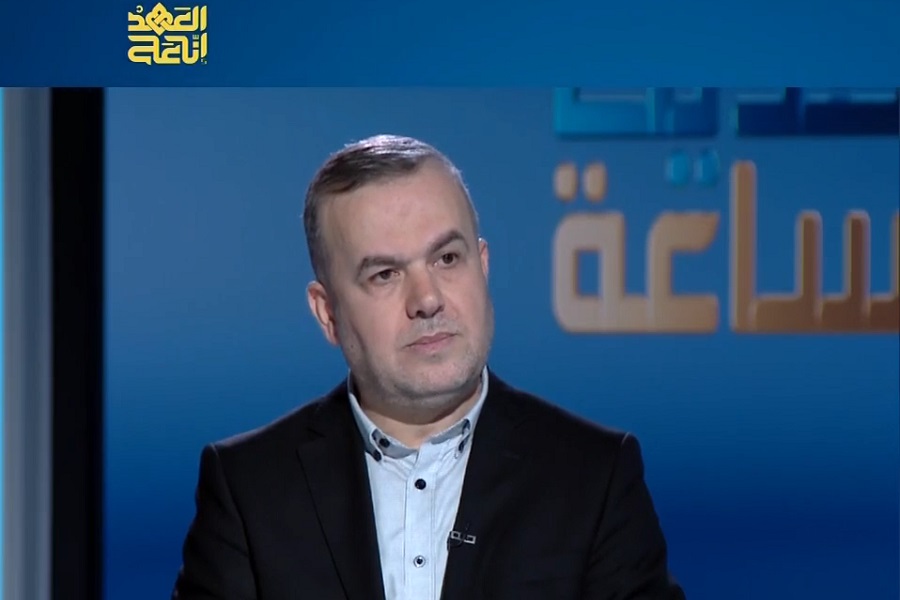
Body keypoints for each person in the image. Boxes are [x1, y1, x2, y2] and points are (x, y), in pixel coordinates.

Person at [172, 134, 686, 600]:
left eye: (447, 259)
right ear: (327, 314)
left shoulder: (594, 477)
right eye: (385, 274)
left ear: (483, 266)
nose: (427, 300)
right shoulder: (249, 488)